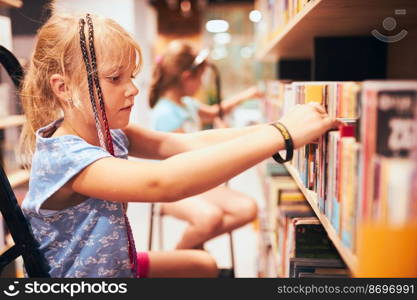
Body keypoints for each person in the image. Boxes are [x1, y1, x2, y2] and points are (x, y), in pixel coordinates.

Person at [20, 12, 339, 278]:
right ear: (63, 88)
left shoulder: (108, 132)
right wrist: (282, 135)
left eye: (132, 76)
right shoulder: (66, 157)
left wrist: (273, 128)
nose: (133, 89)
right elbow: (162, 182)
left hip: (120, 266)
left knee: (205, 265)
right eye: (115, 78)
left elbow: (188, 142)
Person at [149, 41, 260, 250]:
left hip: (196, 182)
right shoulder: (165, 113)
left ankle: (192, 250)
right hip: (173, 188)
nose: (201, 84)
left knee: (247, 209)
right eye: (200, 78)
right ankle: (178, 260)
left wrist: (247, 95)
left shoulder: (187, 104)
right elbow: (183, 158)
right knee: (209, 218)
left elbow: (215, 111)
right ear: (186, 77)